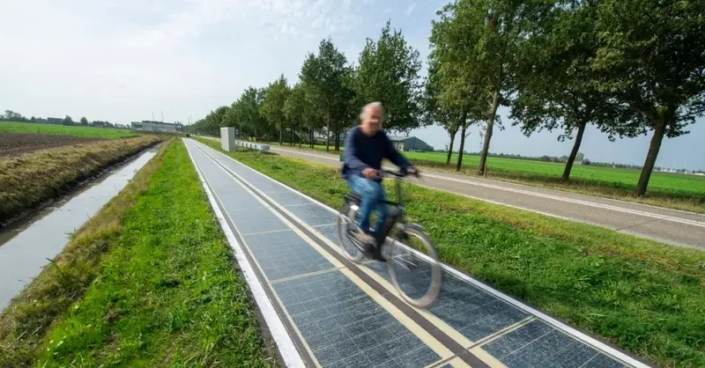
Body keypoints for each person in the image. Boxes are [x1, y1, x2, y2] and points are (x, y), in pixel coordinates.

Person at [341, 101, 419, 255]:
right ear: (364, 118)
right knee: (372, 190)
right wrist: (364, 169)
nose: (376, 121)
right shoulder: (354, 134)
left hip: (374, 178)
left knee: (385, 213)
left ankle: (373, 246)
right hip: (354, 175)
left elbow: (394, 154)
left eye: (379, 118)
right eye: (373, 117)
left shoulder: (381, 137)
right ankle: (362, 230)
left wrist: (408, 167)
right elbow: (349, 157)